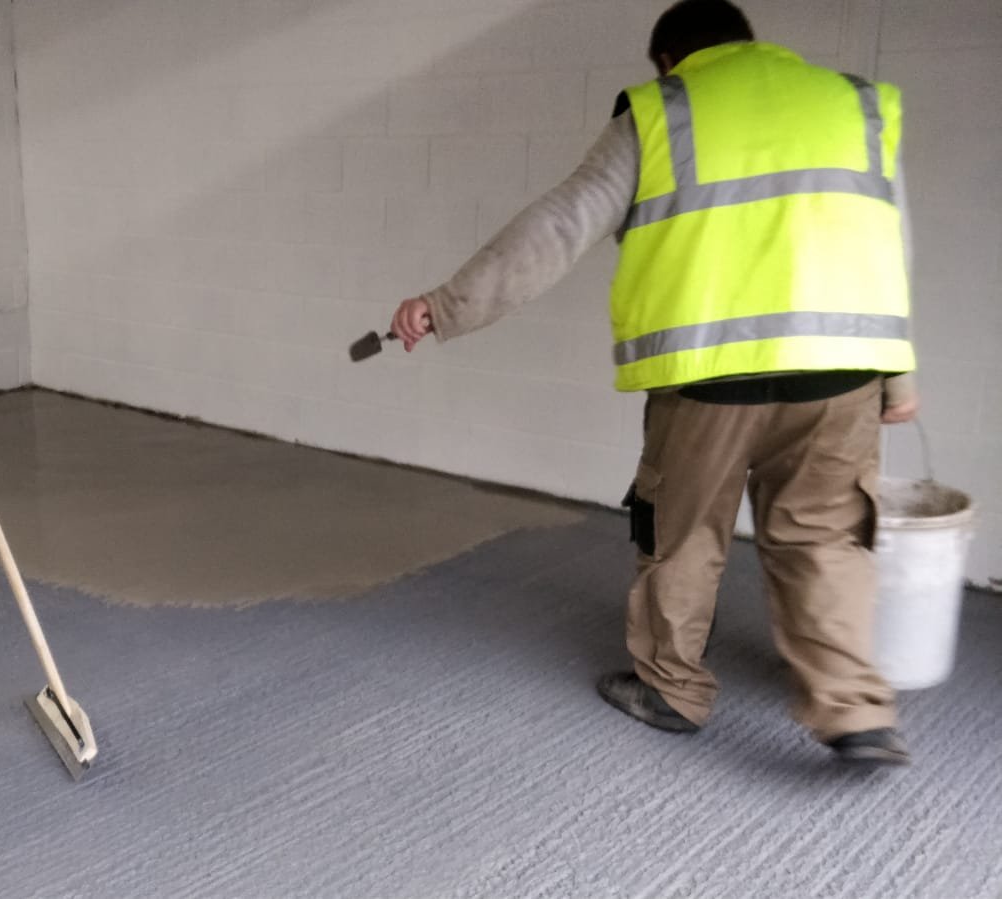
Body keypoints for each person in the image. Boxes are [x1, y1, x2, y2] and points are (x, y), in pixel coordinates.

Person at [389, 0, 918, 767]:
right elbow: (894, 243)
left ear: (666, 61)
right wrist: (900, 375)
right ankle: (853, 708)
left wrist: (443, 307)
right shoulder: (855, 103)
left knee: (681, 535)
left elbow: (560, 223)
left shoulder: (662, 112)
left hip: (709, 376)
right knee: (826, 538)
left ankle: (672, 689)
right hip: (842, 370)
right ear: (746, 43)